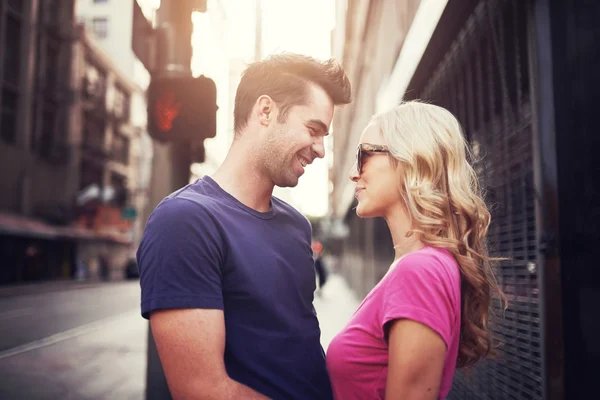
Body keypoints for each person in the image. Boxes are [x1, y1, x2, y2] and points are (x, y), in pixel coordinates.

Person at [137, 53, 351, 400]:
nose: (320, 150)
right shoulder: (185, 222)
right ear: (265, 111)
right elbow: (202, 391)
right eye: (313, 130)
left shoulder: (296, 226)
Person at [326, 101, 507, 400]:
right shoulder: (417, 265)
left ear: (410, 158)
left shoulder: (420, 271)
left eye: (364, 154)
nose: (352, 173)